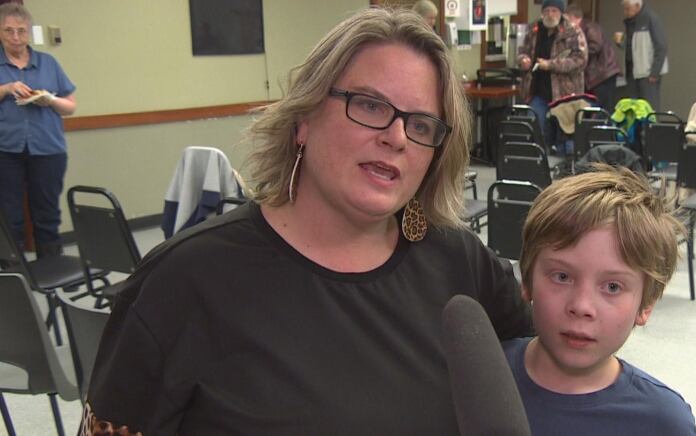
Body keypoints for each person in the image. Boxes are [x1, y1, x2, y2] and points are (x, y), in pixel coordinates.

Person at [82, 7, 533, 435]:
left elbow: (551, 367)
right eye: (370, 105)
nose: (396, 137)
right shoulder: (181, 282)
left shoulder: (459, 259)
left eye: (420, 124)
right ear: (303, 120)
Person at [503, 165, 696, 435]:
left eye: (612, 286)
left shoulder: (664, 423)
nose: (582, 306)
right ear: (527, 281)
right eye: (561, 276)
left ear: (646, 305)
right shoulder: (476, 374)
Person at [0, 3, 76, 257]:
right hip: (6, 149)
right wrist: (7, 89)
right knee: (9, 214)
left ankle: (52, 266)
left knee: (47, 213)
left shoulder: (48, 63)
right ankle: (15, 272)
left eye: (21, 31)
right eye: (8, 31)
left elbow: (70, 107)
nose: (15, 37)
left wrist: (50, 100)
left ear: (29, 32)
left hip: (48, 148)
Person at [517, 0, 587, 148]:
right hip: (537, 92)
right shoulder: (534, 29)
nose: (550, 14)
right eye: (546, 11)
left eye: (554, 11)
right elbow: (522, 51)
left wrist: (551, 65)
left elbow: (580, 60)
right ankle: (538, 166)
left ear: (561, 13)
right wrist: (523, 60)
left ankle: (566, 167)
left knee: (565, 140)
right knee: (535, 133)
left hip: (565, 95)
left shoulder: (573, 31)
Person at [564, 4, 621, 113]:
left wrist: (578, 57)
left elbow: (595, 46)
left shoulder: (590, 27)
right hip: (597, 75)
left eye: (566, 20)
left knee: (604, 109)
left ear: (573, 17)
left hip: (602, 74)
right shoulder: (579, 30)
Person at [614, 0, 668, 111]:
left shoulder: (651, 19)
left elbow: (661, 47)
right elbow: (633, 47)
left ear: (637, 6)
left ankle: (650, 128)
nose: (625, 12)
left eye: (627, 9)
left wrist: (654, 72)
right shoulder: (630, 23)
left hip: (647, 73)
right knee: (634, 109)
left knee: (648, 108)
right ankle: (636, 129)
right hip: (632, 72)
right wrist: (621, 42)